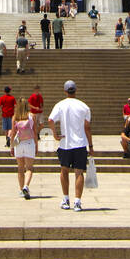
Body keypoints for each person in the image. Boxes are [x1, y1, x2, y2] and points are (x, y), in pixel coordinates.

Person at [48, 80, 93, 212]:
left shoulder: (60, 105)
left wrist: (55, 135)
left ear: (65, 91)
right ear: (76, 90)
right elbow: (87, 127)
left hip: (65, 143)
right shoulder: (84, 106)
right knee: (79, 172)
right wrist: (90, 146)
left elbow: (51, 120)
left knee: (64, 171)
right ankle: (77, 201)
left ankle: (66, 199)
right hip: (80, 143)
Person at [9, 98, 36, 198]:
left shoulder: (15, 117)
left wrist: (12, 146)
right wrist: (36, 145)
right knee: (29, 168)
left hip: (18, 142)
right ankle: (26, 186)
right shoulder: (32, 116)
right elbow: (35, 131)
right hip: (29, 142)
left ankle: (21, 190)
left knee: (20, 168)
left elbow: (13, 133)